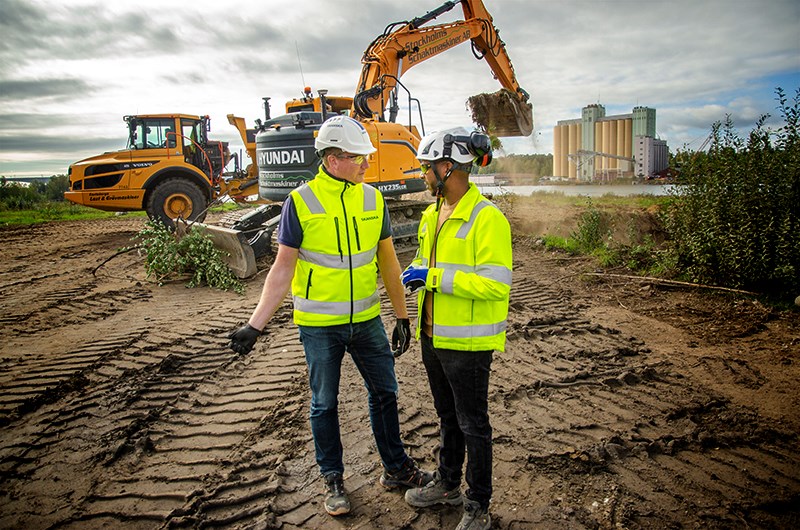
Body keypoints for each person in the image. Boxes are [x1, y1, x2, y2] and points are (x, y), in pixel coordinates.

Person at [227, 115, 432, 517]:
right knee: (324, 403)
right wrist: (256, 324)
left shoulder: (372, 199)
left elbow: (389, 262)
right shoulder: (299, 202)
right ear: (334, 158)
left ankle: (396, 469)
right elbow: (282, 267)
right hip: (319, 326)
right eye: (359, 158)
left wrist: (402, 316)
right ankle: (333, 479)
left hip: (368, 322)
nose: (367, 165)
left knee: (386, 393)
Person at [400, 127, 512, 530]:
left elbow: (495, 284)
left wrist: (432, 277)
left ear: (447, 168)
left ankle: (478, 505)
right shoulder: (431, 214)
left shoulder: (488, 219)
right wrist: (416, 276)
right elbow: (426, 264)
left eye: (428, 167)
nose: (424, 174)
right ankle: (448, 483)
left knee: (473, 423)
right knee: (447, 416)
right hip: (433, 336)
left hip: (468, 342)